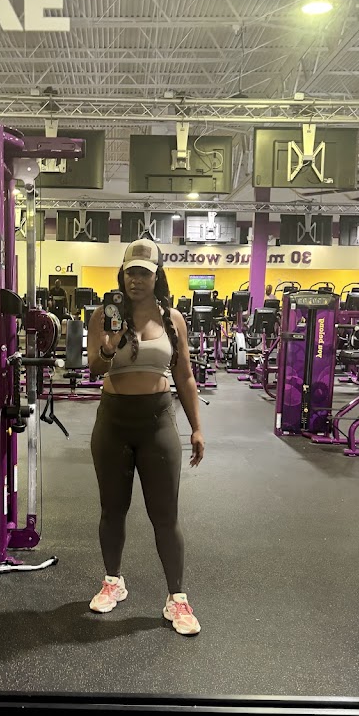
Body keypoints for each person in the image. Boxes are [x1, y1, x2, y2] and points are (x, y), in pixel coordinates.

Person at [86, 239, 204, 636]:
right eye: (130, 272)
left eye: (144, 273)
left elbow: (185, 376)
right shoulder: (103, 315)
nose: (135, 279)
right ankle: (113, 581)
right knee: (112, 510)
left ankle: (177, 598)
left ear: (157, 277)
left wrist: (197, 427)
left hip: (157, 423)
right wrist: (109, 348)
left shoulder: (173, 319)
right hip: (114, 423)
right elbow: (93, 368)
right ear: (121, 274)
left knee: (165, 516)